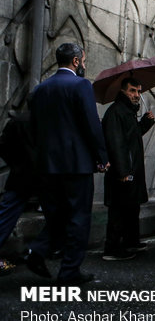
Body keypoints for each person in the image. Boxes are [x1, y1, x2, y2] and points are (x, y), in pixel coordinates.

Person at [27, 42, 109, 285]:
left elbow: (33, 128)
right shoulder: (81, 85)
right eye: (83, 60)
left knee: (57, 215)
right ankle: (69, 270)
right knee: (78, 216)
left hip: (47, 165)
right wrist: (102, 157)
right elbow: (91, 124)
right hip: (76, 164)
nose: (84, 64)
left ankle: (37, 250)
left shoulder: (41, 89)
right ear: (75, 61)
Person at [101, 77, 155, 260]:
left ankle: (131, 242)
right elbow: (116, 143)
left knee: (132, 208)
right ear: (123, 91)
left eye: (139, 91)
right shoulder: (117, 111)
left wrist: (145, 123)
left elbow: (132, 136)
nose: (136, 95)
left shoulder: (128, 112)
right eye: (132, 91)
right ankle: (113, 248)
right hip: (123, 172)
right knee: (119, 210)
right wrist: (123, 171)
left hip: (131, 170)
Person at [0, 110, 36, 274]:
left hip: (20, 175)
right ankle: (35, 253)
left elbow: (4, 146)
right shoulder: (49, 120)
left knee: (7, 214)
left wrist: (16, 165)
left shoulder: (18, 121)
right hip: (42, 176)